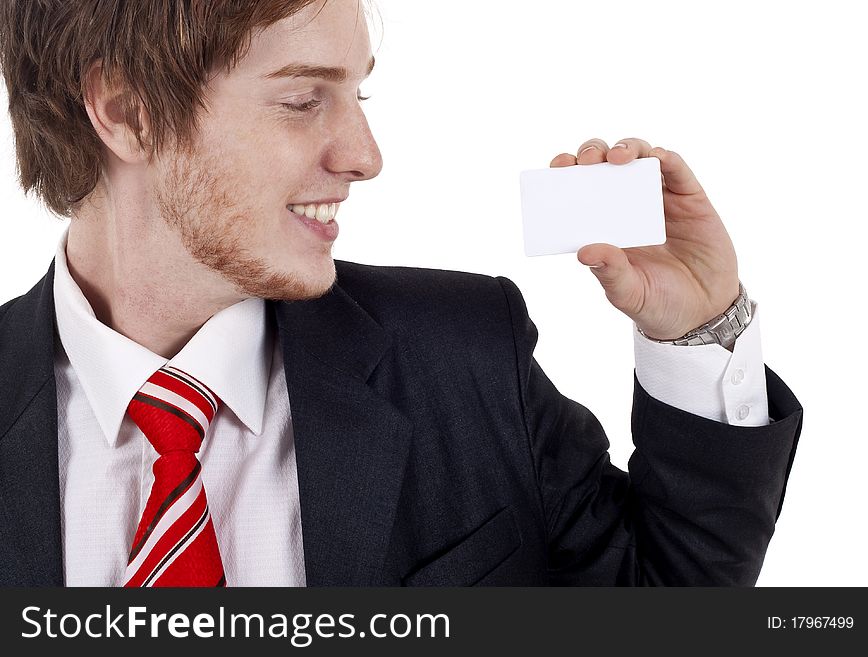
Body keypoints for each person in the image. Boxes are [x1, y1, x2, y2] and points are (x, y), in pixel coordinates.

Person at [0, 0, 801, 587]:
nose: (364, 154)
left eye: (359, 96)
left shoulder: (466, 358)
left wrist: (699, 326)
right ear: (123, 109)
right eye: (304, 98)